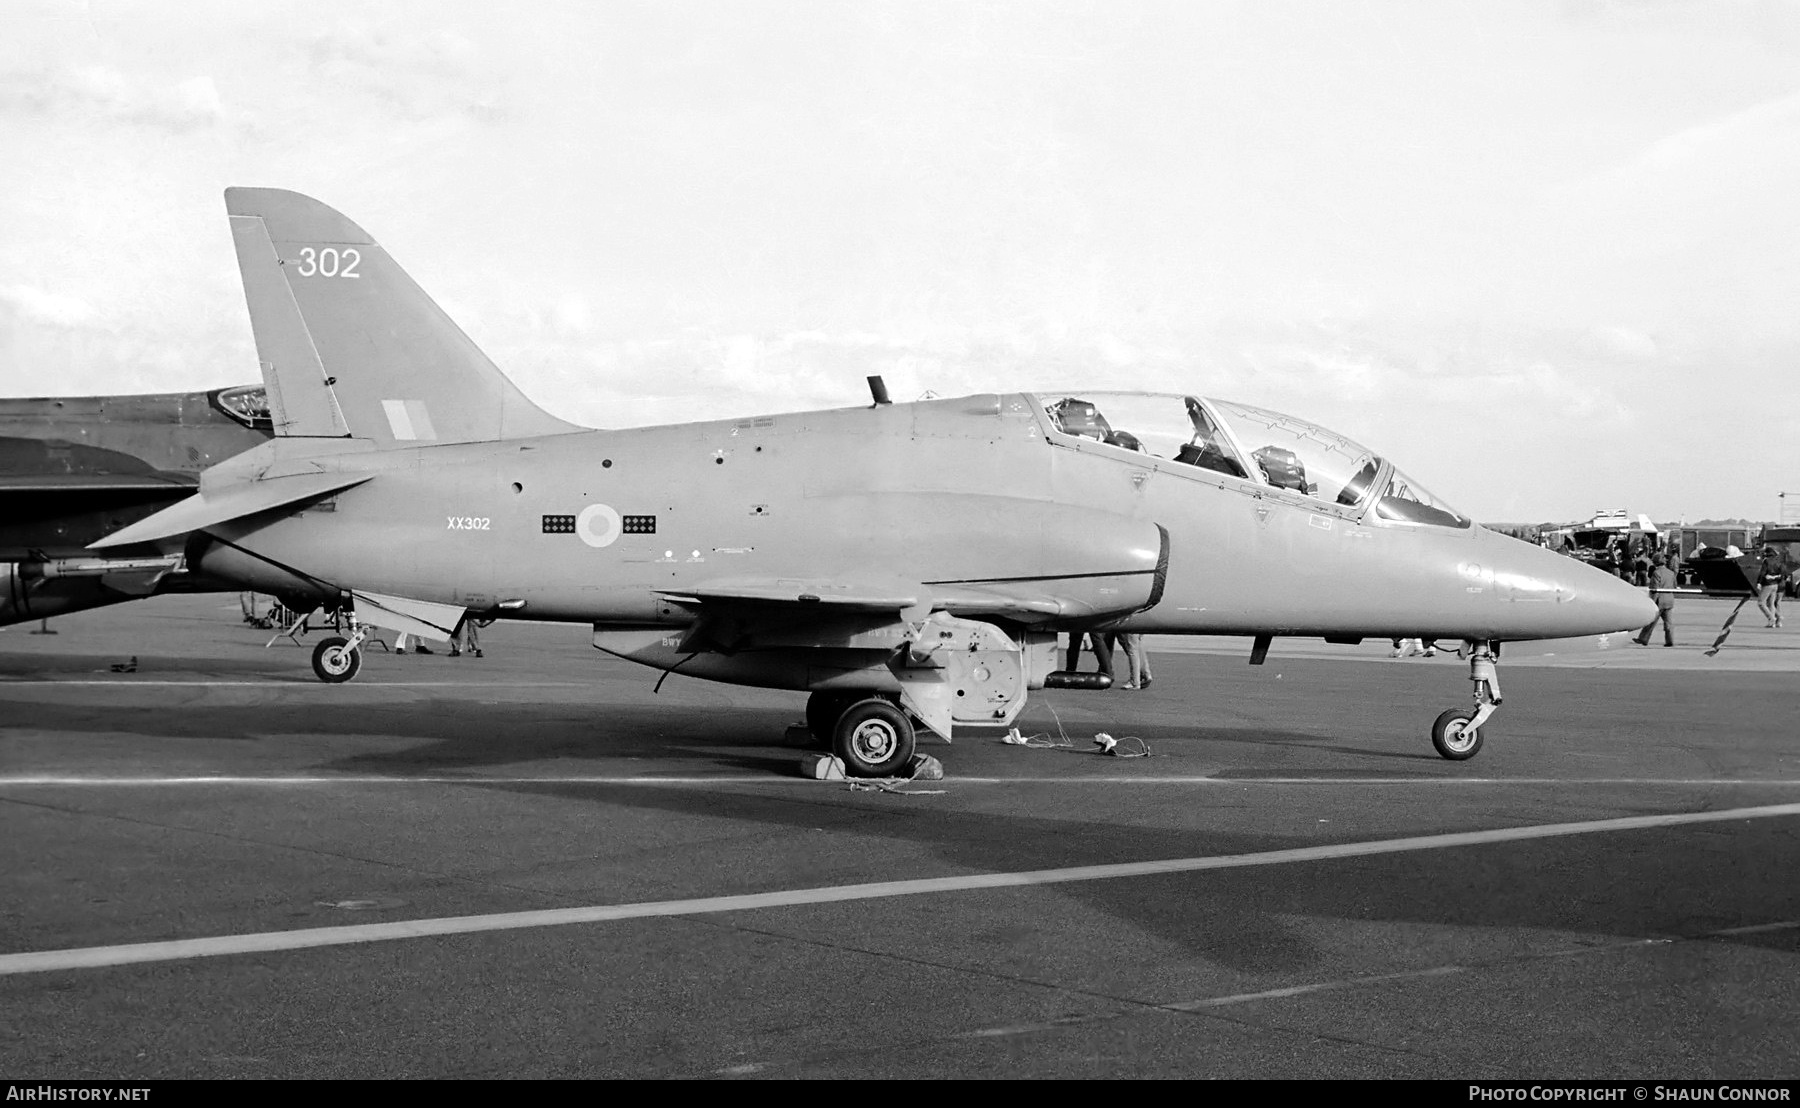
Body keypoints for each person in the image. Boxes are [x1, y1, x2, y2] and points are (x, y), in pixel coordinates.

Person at [1634, 555, 1678, 647]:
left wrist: (1651, 602)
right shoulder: (1671, 573)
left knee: (1651, 621)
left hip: (1659, 600)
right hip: (1669, 600)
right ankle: (1670, 640)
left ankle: (1643, 638)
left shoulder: (1656, 573)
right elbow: (1674, 586)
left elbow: (1655, 589)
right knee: (1668, 623)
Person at [1755, 547, 1785, 629]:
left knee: (1761, 602)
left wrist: (1759, 582)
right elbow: (1782, 573)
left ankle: (1772, 618)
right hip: (1775, 584)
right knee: (1771, 603)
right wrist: (1775, 578)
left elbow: (1763, 572)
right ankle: (1774, 621)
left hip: (1767, 584)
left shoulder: (1766, 561)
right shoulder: (1778, 561)